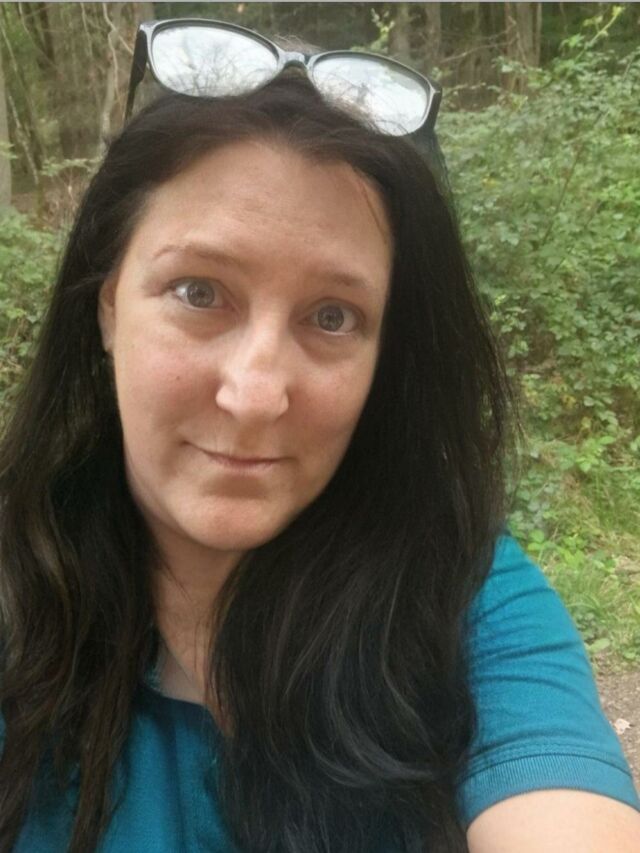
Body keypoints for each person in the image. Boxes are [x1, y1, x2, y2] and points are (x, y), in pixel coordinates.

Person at [0, 17, 638, 853]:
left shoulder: (465, 599)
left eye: (332, 316)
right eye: (199, 292)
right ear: (109, 303)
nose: (255, 395)